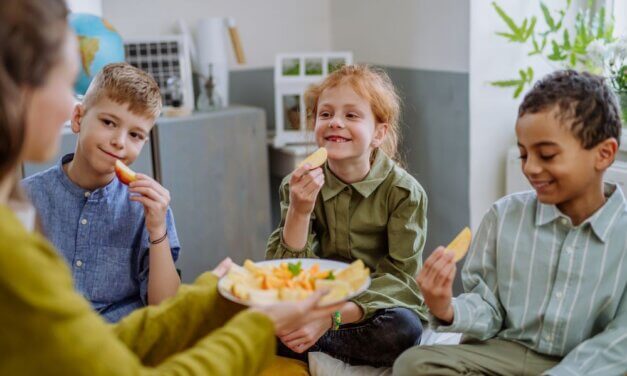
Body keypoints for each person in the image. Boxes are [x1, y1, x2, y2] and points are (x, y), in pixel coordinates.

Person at [0, 0, 339, 373]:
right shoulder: (15, 230)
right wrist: (258, 324)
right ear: (20, 91)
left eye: (134, 134)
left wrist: (213, 294)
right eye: (65, 83)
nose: (69, 103)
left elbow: (114, 339)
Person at [394, 70, 626, 375]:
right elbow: (487, 307)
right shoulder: (503, 217)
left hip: (587, 364)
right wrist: (445, 307)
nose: (530, 168)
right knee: (414, 364)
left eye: (546, 155)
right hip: (507, 352)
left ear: (604, 154)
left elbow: (619, 341)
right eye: (523, 154)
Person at [266, 64, 428, 367]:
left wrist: (330, 318)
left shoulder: (404, 193)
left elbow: (402, 280)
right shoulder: (296, 185)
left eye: (351, 115)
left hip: (368, 310)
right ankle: (305, 336)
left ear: (379, 133)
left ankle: (310, 341)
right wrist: (300, 211)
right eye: (325, 114)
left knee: (404, 330)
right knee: (251, 312)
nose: (335, 123)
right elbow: (285, 270)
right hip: (314, 300)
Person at [23, 62, 180, 322]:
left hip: (122, 343)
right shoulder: (28, 196)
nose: (120, 141)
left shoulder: (149, 209)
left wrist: (157, 230)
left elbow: (166, 309)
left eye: (135, 135)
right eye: (109, 122)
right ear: (78, 118)